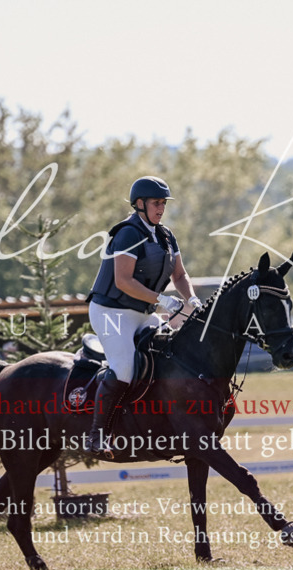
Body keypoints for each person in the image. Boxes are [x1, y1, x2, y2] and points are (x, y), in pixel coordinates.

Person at [85, 176, 203, 454]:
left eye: (163, 203)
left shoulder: (166, 235)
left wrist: (192, 299)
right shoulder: (127, 233)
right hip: (110, 312)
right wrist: (162, 300)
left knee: (169, 354)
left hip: (140, 312)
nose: (161, 208)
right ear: (139, 204)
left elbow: (180, 274)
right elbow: (124, 281)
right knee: (124, 369)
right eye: (156, 203)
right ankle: (97, 435)